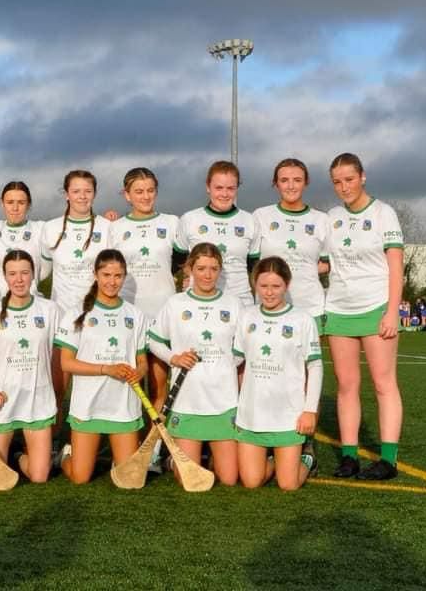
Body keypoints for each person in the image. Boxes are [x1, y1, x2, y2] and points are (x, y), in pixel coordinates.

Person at [324, 152, 404, 480]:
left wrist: (391, 312)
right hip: (339, 308)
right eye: (337, 182)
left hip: (375, 308)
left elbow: (396, 266)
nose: (344, 187)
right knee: (346, 385)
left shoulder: (384, 214)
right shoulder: (331, 217)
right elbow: (326, 263)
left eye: (349, 179)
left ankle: (388, 459)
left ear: (363, 177)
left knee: (383, 384)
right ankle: (348, 456)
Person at [147, 242, 243, 486]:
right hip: (187, 402)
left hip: (223, 400)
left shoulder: (234, 305)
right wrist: (174, 358)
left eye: (213, 268)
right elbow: (154, 340)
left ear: (220, 270)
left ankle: (202, 457)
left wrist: (227, 363)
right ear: (189, 269)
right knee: (189, 481)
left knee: (229, 479)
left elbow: (244, 347)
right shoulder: (176, 303)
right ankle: (173, 461)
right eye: (201, 268)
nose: (207, 275)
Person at [53, 249, 149, 485]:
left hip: (123, 406)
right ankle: (66, 455)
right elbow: (66, 363)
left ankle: (119, 457)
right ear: (95, 274)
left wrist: (139, 372)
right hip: (88, 405)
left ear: (124, 277)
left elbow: (143, 362)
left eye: (118, 276)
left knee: (129, 482)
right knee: (80, 477)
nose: (112, 281)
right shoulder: (77, 313)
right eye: (106, 274)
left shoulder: (135, 315)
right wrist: (107, 369)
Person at [234, 256, 322, 490]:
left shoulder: (303, 320)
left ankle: (307, 458)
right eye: (263, 286)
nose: (269, 292)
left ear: (287, 285)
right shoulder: (247, 316)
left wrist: (309, 411)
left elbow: (315, 367)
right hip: (252, 414)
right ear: (255, 285)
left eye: (276, 286)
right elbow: (235, 360)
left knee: (288, 485)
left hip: (288, 415)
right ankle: (274, 458)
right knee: (252, 482)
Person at [110, 167, 179, 450]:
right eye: (138, 191)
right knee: (130, 383)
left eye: (150, 190)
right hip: (128, 315)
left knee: (159, 384)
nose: (145, 196)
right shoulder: (114, 228)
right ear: (126, 195)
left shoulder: (173, 223)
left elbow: (184, 261)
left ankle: (153, 447)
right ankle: (129, 442)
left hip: (163, 314)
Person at [40, 169, 112, 426]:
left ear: (94, 193)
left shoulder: (108, 227)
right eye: (76, 191)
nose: (82, 196)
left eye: (88, 191)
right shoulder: (49, 228)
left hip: (97, 318)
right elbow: (40, 272)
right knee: (58, 387)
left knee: (97, 385)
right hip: (62, 318)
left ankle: (90, 437)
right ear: (66, 194)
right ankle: (55, 443)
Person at [0, 250, 60, 483]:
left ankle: (17, 456)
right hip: (2, 400)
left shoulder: (49, 310)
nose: (19, 279)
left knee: (39, 477)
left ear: (33, 275)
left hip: (37, 399)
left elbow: (59, 356)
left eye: (24, 273)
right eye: (13, 273)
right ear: (5, 276)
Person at [249, 159, 330, 331]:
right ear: (276, 184)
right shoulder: (260, 216)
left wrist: (304, 270)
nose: (291, 186)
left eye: (297, 180)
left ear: (306, 183)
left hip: (310, 307)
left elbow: (327, 264)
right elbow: (252, 262)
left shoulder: (321, 220)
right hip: (268, 306)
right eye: (284, 180)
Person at [175, 161, 257, 306]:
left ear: (237, 188)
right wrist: (189, 278)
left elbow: (255, 268)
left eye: (231, 188)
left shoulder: (250, 220)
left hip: (241, 303)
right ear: (208, 187)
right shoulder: (189, 219)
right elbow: (177, 262)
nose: (224, 194)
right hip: (198, 303)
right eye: (219, 188)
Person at [0, 181, 45, 302]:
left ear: (29, 204)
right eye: (10, 202)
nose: (15, 208)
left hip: (29, 309)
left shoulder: (41, 229)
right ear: (2, 203)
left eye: (21, 203)